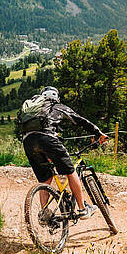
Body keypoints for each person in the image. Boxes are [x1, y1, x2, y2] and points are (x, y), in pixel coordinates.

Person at [21, 86, 108, 221]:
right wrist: (97, 132)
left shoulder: (35, 109)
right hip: (48, 139)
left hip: (28, 142)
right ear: (56, 97)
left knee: (45, 179)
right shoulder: (57, 106)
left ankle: (44, 213)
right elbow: (79, 120)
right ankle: (82, 209)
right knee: (70, 171)